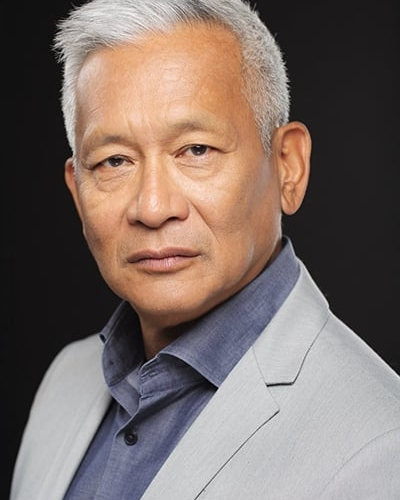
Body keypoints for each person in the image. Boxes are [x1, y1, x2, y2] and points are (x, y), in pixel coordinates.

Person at [10, 0, 400, 498]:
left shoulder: (380, 446)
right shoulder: (65, 381)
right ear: (77, 193)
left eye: (196, 150)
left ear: (288, 167)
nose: (153, 208)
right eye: (114, 161)